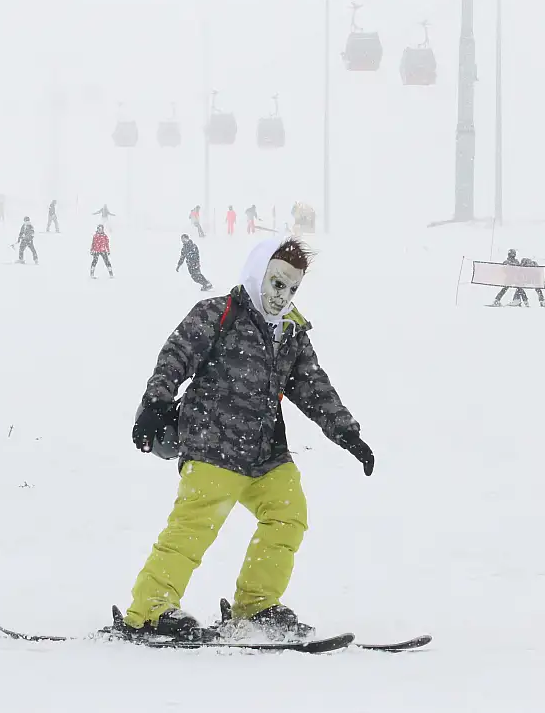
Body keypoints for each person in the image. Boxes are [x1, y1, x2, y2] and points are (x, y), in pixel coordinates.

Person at [115, 237, 373, 644]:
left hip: (264, 453)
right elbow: (176, 354)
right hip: (212, 442)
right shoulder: (220, 314)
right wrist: (155, 402)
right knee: (194, 527)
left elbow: (313, 386)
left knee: (289, 515)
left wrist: (347, 432)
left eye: (292, 289)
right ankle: (149, 610)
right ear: (257, 274)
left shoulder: (291, 333)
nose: (282, 296)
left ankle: (254, 605)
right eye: (276, 284)